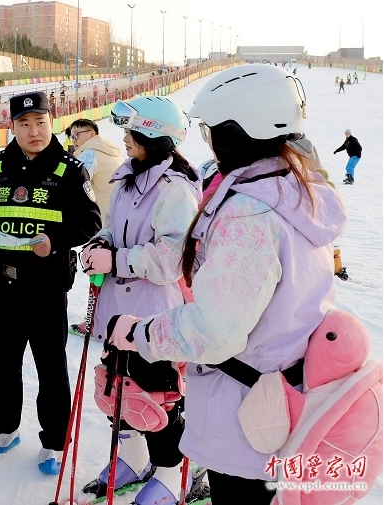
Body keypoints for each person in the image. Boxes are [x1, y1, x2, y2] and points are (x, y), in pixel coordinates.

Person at [102, 63, 348, 505]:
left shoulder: (250, 214)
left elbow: (213, 330)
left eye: (211, 130)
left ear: (236, 131)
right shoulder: (293, 190)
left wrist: (140, 333)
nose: (209, 141)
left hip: (245, 413)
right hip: (279, 395)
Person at [0, 91, 102, 475]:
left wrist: (55, 242)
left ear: (51, 121)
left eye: (40, 122)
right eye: (24, 124)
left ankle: (55, 440)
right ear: (13, 127)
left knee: (51, 366)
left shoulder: (70, 170)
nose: (33, 131)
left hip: (46, 287)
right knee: (4, 362)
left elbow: (92, 220)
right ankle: (4, 429)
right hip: (3, 286)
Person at [78, 95, 201, 503]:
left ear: (155, 136)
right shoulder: (126, 178)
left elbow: (170, 259)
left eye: (132, 132)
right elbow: (115, 230)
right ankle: (132, 455)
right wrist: (100, 244)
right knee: (116, 386)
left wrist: (116, 260)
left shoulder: (175, 190)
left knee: (154, 393)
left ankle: (170, 471)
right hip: (117, 309)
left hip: (153, 313)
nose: (125, 139)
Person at [65, 118, 125, 339]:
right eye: (72, 137)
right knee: (112, 275)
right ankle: (110, 321)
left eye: (77, 134)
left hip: (103, 226)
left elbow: (72, 182)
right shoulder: (110, 150)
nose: (74, 141)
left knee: (98, 272)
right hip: (118, 221)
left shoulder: (90, 153)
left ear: (91, 133)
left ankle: (95, 322)